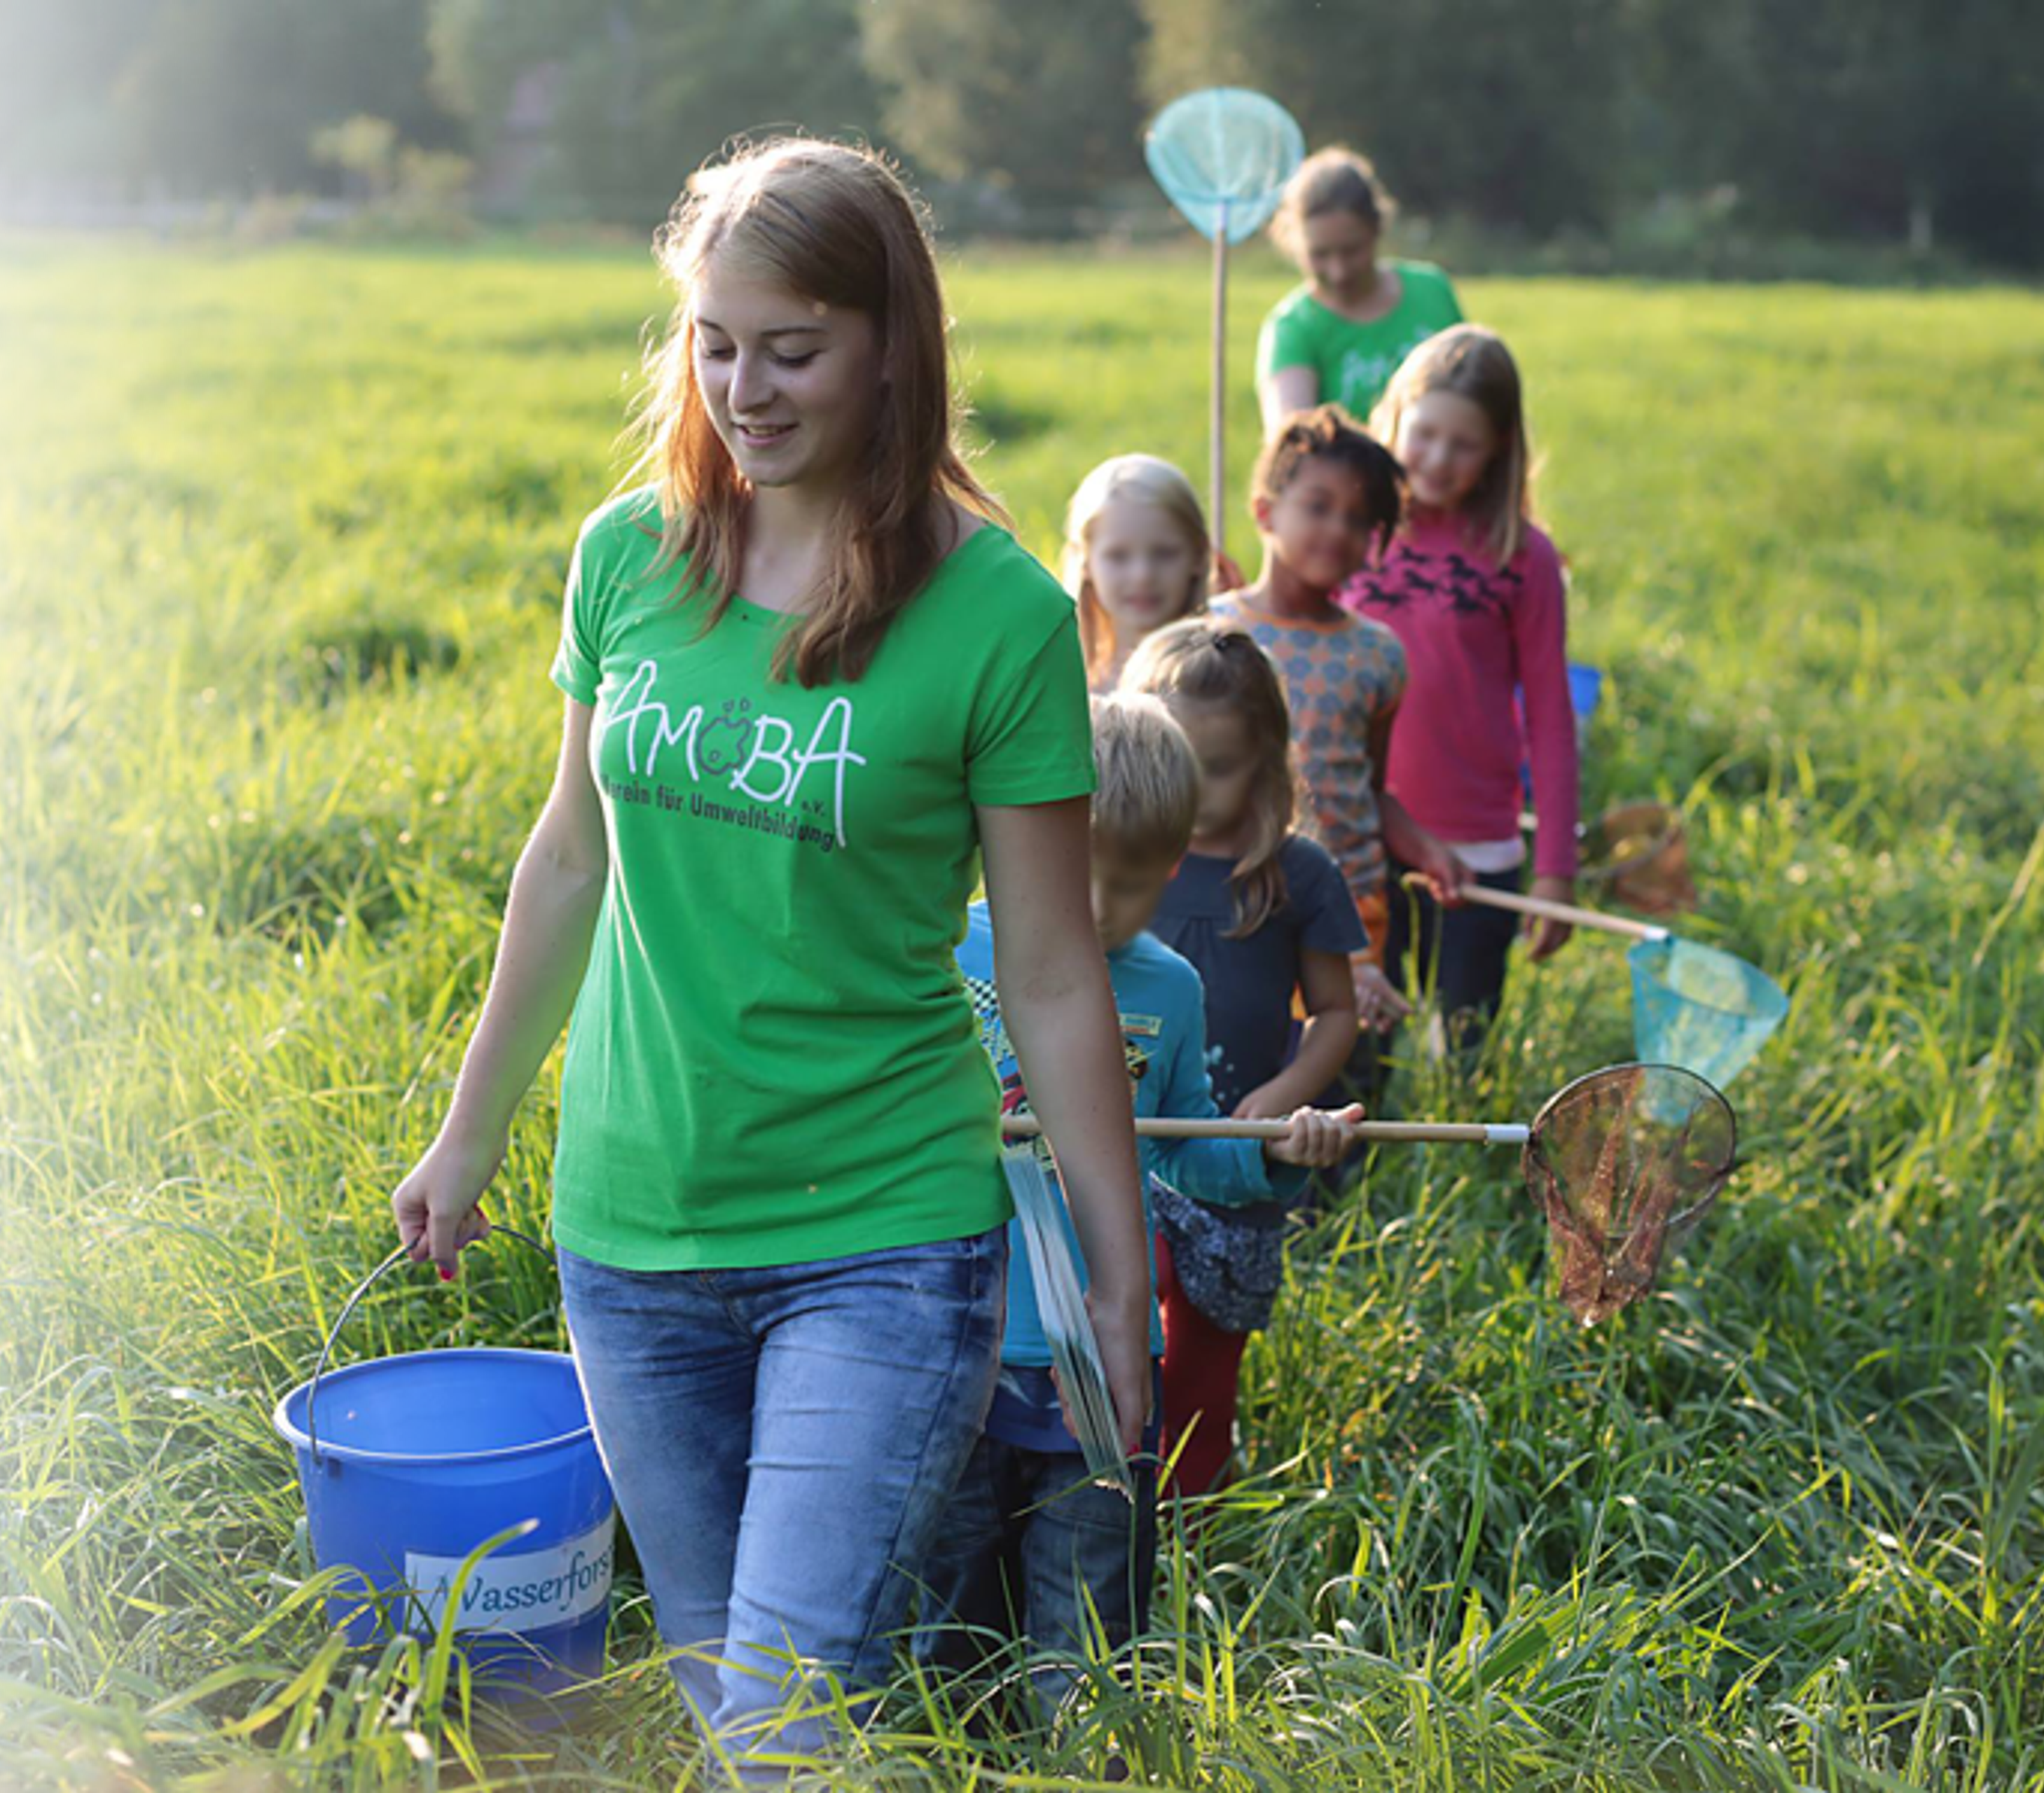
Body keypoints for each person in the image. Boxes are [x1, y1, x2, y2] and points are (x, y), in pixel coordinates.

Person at [383, 137, 1149, 1778]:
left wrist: (1114, 1259)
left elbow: (1053, 970)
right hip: (630, 1229)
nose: (744, 387)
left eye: (790, 346)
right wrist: (471, 1129)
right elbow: (568, 855)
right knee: (732, 1695)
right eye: (713, 342)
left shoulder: (998, 612)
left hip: (880, 1238)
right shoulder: (626, 557)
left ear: (889, 344)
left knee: (783, 1720)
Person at [919, 693, 1362, 1710]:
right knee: (950, 1629)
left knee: (1089, 1634)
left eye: (1128, 885)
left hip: (1104, 1370)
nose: (1096, 908)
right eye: (1073, 871)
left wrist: (1283, 1155)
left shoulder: (1167, 989)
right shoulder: (947, 949)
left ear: (1172, 869)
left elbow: (1190, 1158)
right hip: (957, 1352)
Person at [1117, 621, 1364, 1497]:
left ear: (1265, 758)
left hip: (1237, 1164)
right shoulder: (1122, 858)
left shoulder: (1294, 873)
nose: (1193, 786)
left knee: (1202, 1364)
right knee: (1116, 1339)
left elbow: (1335, 1012)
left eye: (1216, 766)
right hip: (1130, 1153)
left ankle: (1187, 1515)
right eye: (1174, 756)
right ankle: (1106, 1499)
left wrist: (1285, 1093)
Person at [1348, 326, 1584, 1040]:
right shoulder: (1349, 529)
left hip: (1476, 844)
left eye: (1465, 445)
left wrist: (1555, 872)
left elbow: (1549, 715)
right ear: (1394, 419)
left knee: (1465, 1045)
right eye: (1424, 435)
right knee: (1361, 1047)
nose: (1438, 460)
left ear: (1499, 451)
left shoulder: (1523, 555)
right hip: (1358, 830)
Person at [1208, 406, 1459, 1038]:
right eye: (1318, 507)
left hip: (1351, 905)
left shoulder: (1378, 654)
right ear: (1266, 511)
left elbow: (1370, 785)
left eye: (1358, 519)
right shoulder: (1212, 633)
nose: (1337, 530)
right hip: (1241, 895)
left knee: (1343, 1069)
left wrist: (1425, 848)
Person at [1255, 148, 1465, 430]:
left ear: (1377, 228)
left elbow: (1472, 400)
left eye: (1352, 250)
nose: (1338, 271)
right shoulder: (1293, 328)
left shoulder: (1432, 290)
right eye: (1319, 255)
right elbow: (1295, 441)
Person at [1062, 455, 1215, 694]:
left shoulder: (1223, 679)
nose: (1143, 575)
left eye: (1164, 553)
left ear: (1198, 554)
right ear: (1086, 561)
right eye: (1118, 556)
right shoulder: (1065, 683)